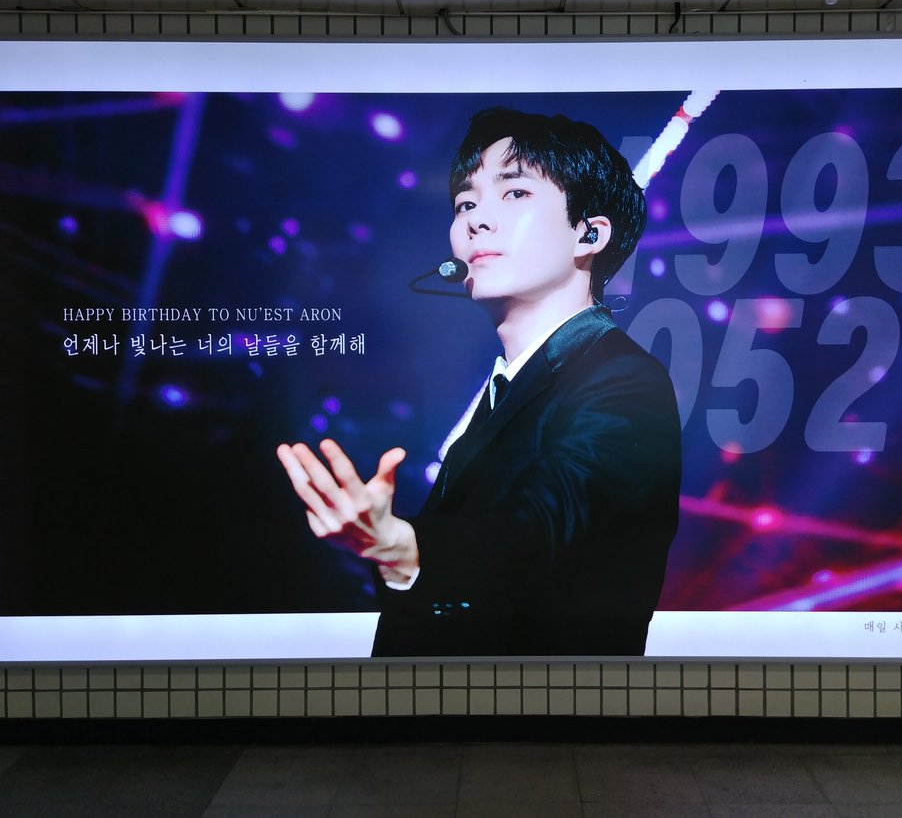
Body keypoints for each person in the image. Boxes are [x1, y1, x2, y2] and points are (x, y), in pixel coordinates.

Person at [277, 107, 681, 657]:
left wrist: (403, 547)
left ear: (589, 233)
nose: (476, 220)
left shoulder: (623, 380)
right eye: (466, 203)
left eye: (515, 193)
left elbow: (543, 529)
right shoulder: (508, 386)